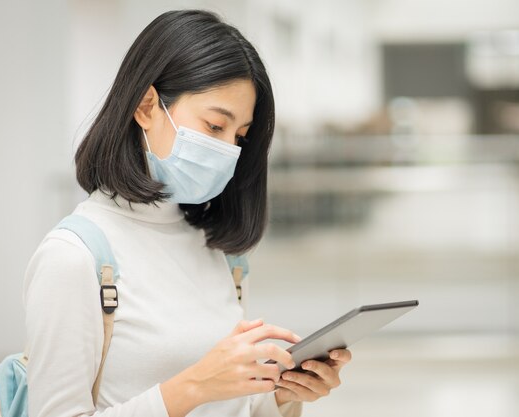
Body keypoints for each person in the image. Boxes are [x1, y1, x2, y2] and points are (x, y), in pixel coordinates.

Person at [22, 9, 351, 417]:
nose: (229, 150)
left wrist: (281, 396)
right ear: (145, 107)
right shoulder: (74, 257)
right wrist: (193, 387)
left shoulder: (219, 251)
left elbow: (229, 405)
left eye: (240, 137)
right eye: (215, 126)